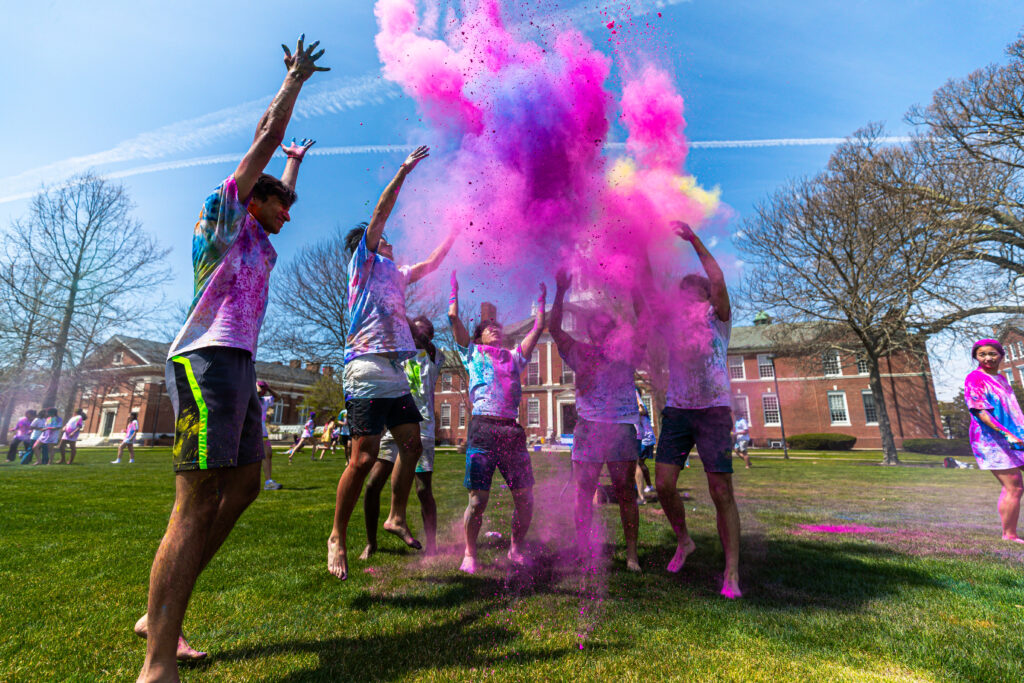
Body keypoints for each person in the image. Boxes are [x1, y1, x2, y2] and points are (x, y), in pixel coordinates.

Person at [134, 35, 328, 683]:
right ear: (253, 200)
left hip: (240, 363)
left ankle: (159, 609)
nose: (288, 214)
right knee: (197, 500)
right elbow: (264, 143)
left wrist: (293, 167)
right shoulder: (221, 215)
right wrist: (295, 83)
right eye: (281, 203)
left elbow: (277, 178)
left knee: (243, 485)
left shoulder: (261, 233)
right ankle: (159, 659)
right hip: (205, 359)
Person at [327, 146, 457, 581]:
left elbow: (435, 263)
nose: (389, 239)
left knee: (413, 445)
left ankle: (396, 516)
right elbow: (381, 212)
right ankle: (337, 536)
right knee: (362, 461)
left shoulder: (397, 274)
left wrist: (456, 230)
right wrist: (403, 171)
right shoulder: (363, 264)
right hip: (364, 367)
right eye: (382, 237)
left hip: (396, 373)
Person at [654, 221, 742, 599]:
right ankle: (684, 540)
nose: (688, 296)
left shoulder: (716, 317)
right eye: (683, 291)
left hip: (713, 411)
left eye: (696, 290)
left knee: (721, 491)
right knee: (662, 485)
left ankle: (731, 572)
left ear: (706, 294)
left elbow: (718, 277)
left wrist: (692, 239)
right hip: (678, 410)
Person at [450, 271, 546, 574]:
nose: (496, 329)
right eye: (489, 327)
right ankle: (469, 552)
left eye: (498, 327)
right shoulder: (472, 352)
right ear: (479, 336)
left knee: (525, 498)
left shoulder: (513, 357)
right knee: (478, 500)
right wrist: (454, 290)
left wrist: (542, 302)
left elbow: (538, 329)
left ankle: (516, 549)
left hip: (510, 430)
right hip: (482, 429)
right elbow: (454, 319)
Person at [550, 269, 643, 572]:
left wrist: (635, 287)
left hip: (621, 425)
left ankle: (632, 555)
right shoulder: (580, 350)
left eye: (607, 324)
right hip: (589, 426)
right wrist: (561, 290)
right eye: (596, 325)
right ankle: (582, 550)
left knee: (625, 488)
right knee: (583, 489)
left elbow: (645, 324)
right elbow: (554, 329)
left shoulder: (627, 351)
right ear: (590, 331)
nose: (601, 328)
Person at [362, 316, 445, 559]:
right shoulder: (399, 354)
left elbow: (419, 338)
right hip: (392, 428)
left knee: (422, 490)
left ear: (428, 335)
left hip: (421, 430)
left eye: (421, 329)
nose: (414, 331)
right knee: (372, 484)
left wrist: (399, 310)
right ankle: (371, 543)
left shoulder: (433, 355)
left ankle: (433, 546)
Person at [964, 339, 1024, 543]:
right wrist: (1007, 434)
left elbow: (1011, 411)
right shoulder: (975, 378)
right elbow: (980, 411)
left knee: (1014, 487)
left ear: (1001, 355)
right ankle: (1009, 535)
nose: (988, 358)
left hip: (1017, 436)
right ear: (976, 357)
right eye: (982, 354)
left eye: (992, 354)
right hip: (992, 439)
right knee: (1014, 486)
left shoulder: (1001, 378)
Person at [258, 381, 282, 490]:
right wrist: (258, 388)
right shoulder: (250, 397)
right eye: (261, 388)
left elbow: (278, 397)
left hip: (261, 431)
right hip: (251, 430)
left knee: (268, 453)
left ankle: (268, 482)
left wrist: (269, 389)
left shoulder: (265, 400)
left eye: (264, 389)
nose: (263, 390)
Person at [635, 394, 656, 504]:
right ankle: (648, 485)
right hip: (644, 437)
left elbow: (642, 410)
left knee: (637, 463)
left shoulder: (635, 395)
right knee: (640, 464)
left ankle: (641, 493)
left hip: (644, 438)